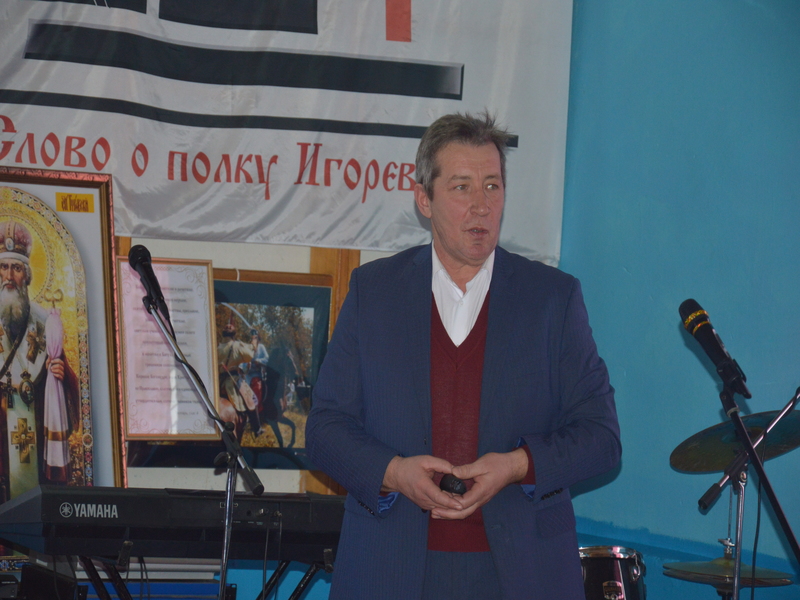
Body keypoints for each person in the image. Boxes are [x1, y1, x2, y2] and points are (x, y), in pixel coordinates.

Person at [305, 112, 621, 600]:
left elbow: (602, 438)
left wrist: (516, 465)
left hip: (521, 574)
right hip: (389, 569)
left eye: (492, 186)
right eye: (462, 187)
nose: (481, 205)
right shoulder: (374, 292)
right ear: (423, 199)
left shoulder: (552, 299)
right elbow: (324, 431)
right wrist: (395, 473)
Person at [0, 220, 80, 503]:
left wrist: (61, 375)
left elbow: (68, 391)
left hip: (35, 440)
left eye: (17, 268)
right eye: (3, 267)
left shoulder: (45, 324)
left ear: (27, 276)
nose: (9, 276)